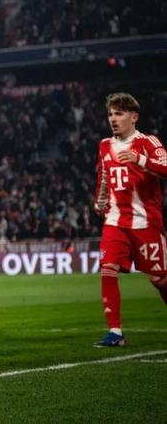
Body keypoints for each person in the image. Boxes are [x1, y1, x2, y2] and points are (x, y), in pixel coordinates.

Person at [93, 93, 167, 347]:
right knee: (108, 268)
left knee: (159, 279)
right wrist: (100, 201)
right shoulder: (105, 145)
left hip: (146, 222)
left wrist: (140, 160)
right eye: (110, 114)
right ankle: (115, 333)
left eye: (119, 113)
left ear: (133, 117)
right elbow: (104, 176)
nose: (113, 119)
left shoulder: (148, 142)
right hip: (115, 221)